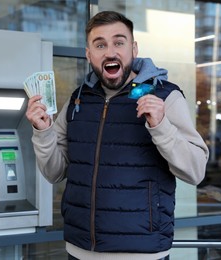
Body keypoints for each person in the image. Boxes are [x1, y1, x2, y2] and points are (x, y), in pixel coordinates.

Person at [26, 10, 209, 260]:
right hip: (79, 251)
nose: (110, 52)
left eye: (119, 42)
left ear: (133, 49)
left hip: (143, 253)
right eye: (100, 44)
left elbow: (196, 171)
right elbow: (54, 172)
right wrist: (43, 131)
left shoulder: (165, 97)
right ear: (89, 54)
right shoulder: (78, 100)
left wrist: (161, 126)